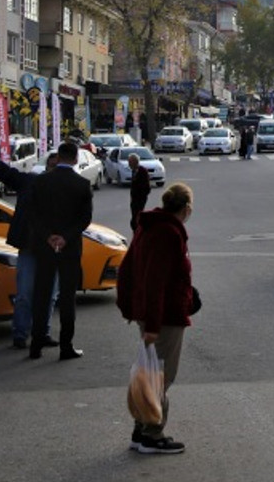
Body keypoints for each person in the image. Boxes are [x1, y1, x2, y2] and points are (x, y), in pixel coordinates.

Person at [116, 182, 195, 455]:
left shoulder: (148, 226)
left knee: (150, 373)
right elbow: (156, 281)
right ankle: (153, 433)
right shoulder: (168, 232)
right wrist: (151, 324)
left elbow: (128, 269)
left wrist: (130, 307)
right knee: (160, 376)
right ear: (186, 209)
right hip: (164, 317)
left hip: (151, 313)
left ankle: (141, 430)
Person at [0, 141, 59, 350]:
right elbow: (4, 172)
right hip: (29, 247)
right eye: (52, 166)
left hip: (53, 251)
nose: (55, 171)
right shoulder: (29, 182)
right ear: (47, 168)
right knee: (25, 294)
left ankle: (42, 332)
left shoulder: (68, 188)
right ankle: (20, 334)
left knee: (50, 295)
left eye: (59, 167)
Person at [26, 141, 93, 361]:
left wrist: (48, 236)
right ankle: (66, 346)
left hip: (44, 246)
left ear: (58, 157)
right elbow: (85, 219)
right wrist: (65, 237)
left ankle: (35, 345)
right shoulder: (82, 185)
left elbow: (32, 214)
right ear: (75, 159)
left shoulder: (41, 182)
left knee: (41, 294)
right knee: (67, 297)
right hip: (70, 247)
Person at [128, 153, 151, 232]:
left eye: (130, 162)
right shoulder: (134, 171)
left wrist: (141, 196)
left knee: (135, 220)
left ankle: (139, 232)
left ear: (135, 162)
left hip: (140, 199)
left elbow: (147, 187)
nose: (129, 164)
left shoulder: (142, 171)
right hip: (134, 199)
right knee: (134, 218)